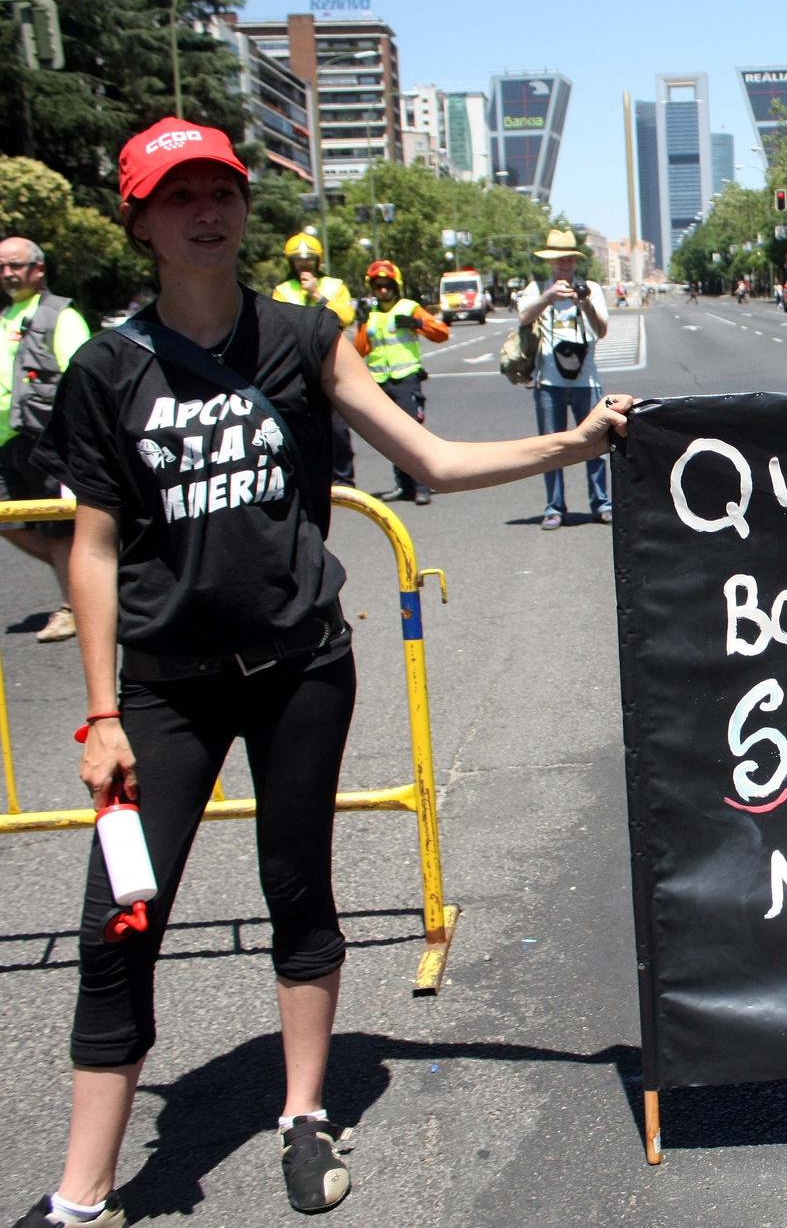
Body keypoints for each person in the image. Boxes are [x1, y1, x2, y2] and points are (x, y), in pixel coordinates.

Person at [15, 118, 636, 1228]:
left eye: (222, 191)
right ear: (140, 221)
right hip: (161, 686)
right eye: (178, 197)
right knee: (120, 917)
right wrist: (100, 710)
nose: (206, 212)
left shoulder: (307, 339)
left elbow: (433, 461)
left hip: (300, 666)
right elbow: (95, 549)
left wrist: (576, 443)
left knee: (296, 885)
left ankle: (305, 1113)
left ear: (245, 209)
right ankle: (82, 1191)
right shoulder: (108, 369)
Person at [0, 237, 91, 642]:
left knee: (59, 528)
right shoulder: (5, 316)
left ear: (38, 269)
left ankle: (73, 605)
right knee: (9, 520)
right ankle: (85, 579)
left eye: (15, 265)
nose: (7, 273)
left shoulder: (59, 315)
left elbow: (81, 379)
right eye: (2, 266)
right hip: (6, 440)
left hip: (44, 437)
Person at [515, 229, 612, 529]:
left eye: (570, 258)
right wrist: (547, 297)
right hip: (549, 383)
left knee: (594, 444)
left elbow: (602, 329)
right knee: (552, 448)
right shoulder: (538, 288)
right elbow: (523, 316)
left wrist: (584, 304)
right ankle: (554, 507)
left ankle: (601, 503)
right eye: (560, 259)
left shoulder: (590, 288)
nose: (565, 264)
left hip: (587, 382)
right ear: (551, 262)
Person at [355, 261, 449, 505]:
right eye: (378, 286)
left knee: (412, 434)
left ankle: (422, 485)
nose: (383, 290)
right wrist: (362, 324)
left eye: (387, 285)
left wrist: (418, 324)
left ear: (395, 285)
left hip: (406, 379)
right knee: (391, 436)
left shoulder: (410, 308)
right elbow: (360, 349)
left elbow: (441, 333)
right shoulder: (371, 314)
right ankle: (403, 485)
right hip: (379, 382)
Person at [270, 234, 358, 488]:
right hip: (296, 366)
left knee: (337, 430)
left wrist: (316, 294)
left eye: (309, 259)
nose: (304, 265)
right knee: (299, 426)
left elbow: (346, 316)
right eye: (298, 260)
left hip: (329, 361)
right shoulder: (283, 290)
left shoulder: (334, 286)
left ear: (318, 260)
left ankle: (344, 481)